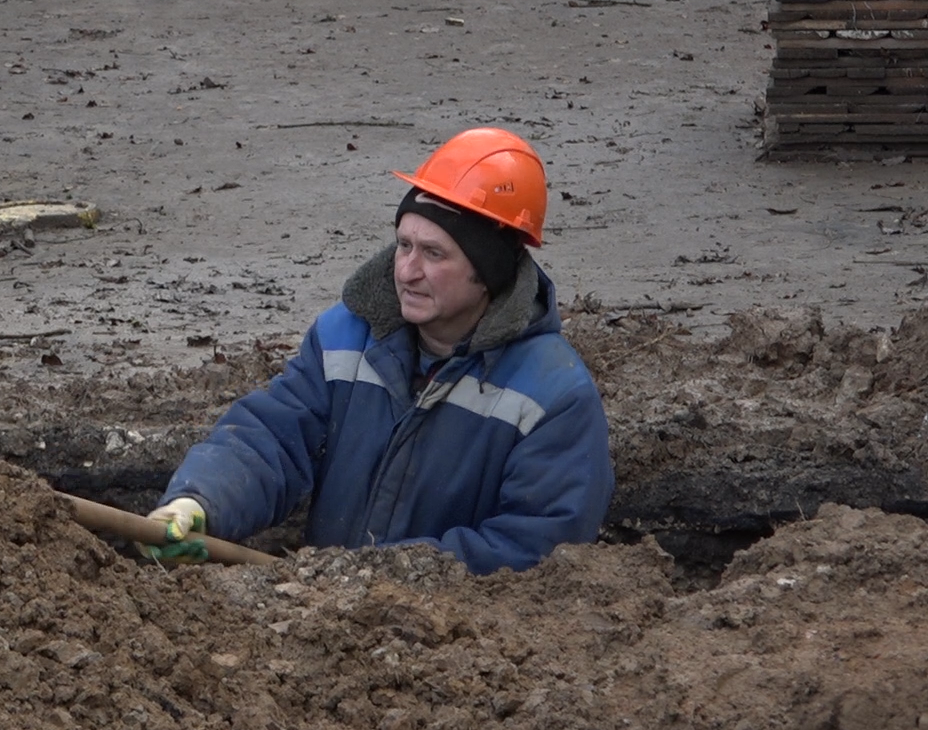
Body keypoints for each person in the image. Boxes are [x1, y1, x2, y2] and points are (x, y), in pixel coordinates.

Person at [143, 127, 613, 575]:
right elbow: (269, 438)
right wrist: (201, 501)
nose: (406, 271)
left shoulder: (554, 398)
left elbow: (535, 550)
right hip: (322, 620)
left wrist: (372, 580)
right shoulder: (344, 337)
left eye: (434, 254)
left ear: (488, 272)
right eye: (403, 244)